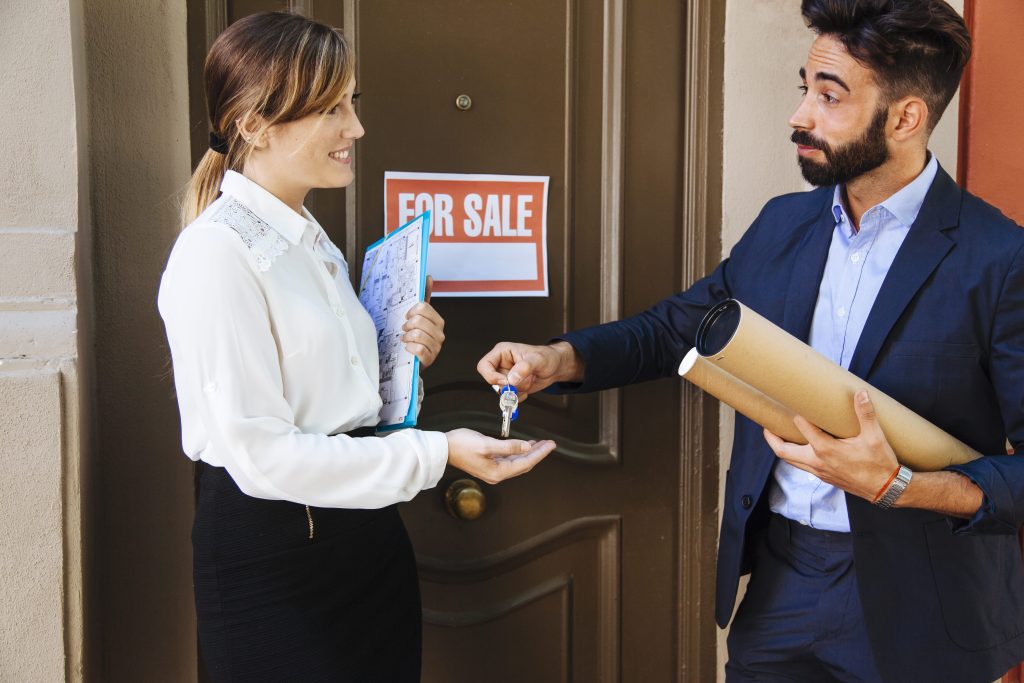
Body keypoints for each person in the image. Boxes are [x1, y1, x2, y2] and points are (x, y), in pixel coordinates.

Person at [478, 1, 1024, 681]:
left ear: (906, 117)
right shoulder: (781, 224)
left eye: (830, 96)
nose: (800, 115)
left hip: (930, 601)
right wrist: (553, 360)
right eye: (806, 89)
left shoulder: (999, 258)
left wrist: (905, 485)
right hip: (782, 582)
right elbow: (676, 328)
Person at [158, 11, 555, 683]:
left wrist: (403, 358)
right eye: (332, 109)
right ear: (254, 125)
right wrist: (441, 450)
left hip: (365, 537)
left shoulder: (312, 241)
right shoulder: (215, 254)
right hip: (277, 556)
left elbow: (339, 403)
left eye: (352, 104)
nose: (357, 129)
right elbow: (262, 454)